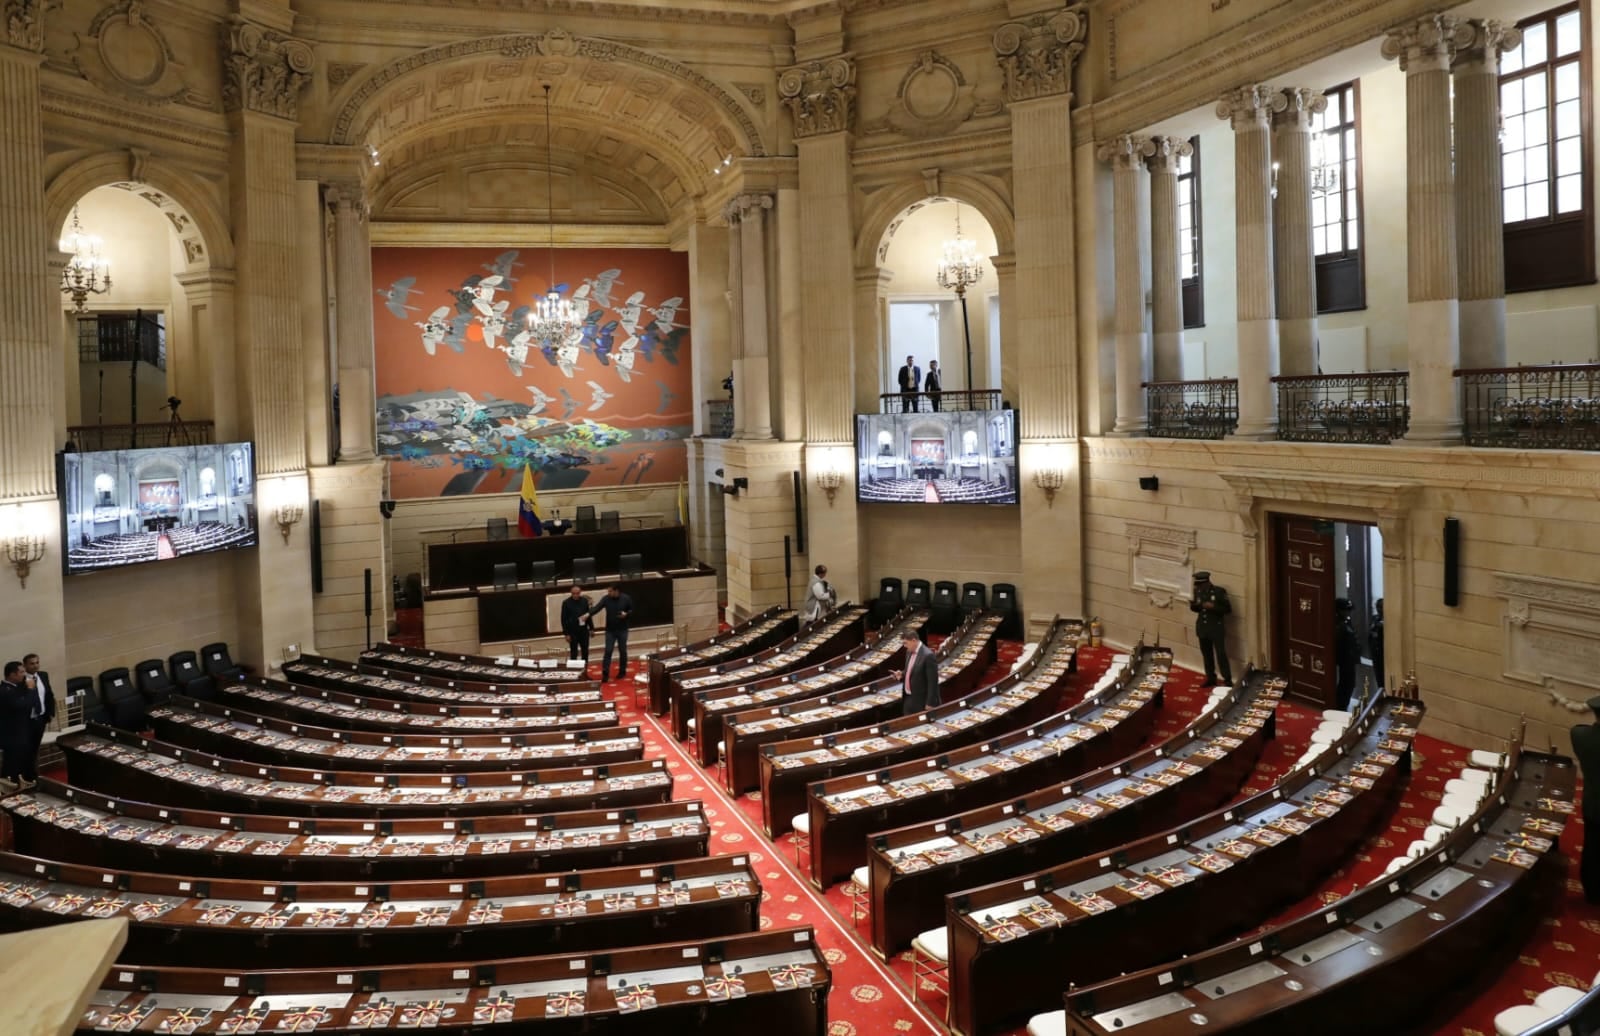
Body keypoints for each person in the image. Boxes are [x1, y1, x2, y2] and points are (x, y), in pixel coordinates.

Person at [1189, 571, 1232, 686]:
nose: (1199, 588)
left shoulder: (1219, 592)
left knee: (1221, 654)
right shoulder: (1197, 591)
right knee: (1207, 655)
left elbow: (1227, 609)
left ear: (1206, 583)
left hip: (1216, 628)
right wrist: (1194, 605)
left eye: (1200, 585)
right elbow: (1196, 608)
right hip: (1203, 628)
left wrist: (1213, 607)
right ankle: (1210, 677)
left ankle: (1227, 679)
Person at [19, 653, 54, 785]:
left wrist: (49, 713)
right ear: (25, 665)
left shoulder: (43, 675)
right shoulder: (21, 680)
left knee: (34, 748)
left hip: (41, 718)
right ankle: (28, 776)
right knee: (27, 749)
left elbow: (49, 694)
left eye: (37, 662)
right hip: (27, 721)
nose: (35, 666)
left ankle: (32, 774)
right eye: (32, 663)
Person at [589, 584, 634, 681]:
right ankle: (605, 673)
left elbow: (632, 611)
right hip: (610, 630)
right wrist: (588, 614)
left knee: (623, 651)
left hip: (622, 629)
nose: (608, 593)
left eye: (610, 591)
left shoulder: (626, 598)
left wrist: (626, 614)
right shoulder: (606, 599)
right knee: (608, 651)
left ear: (616, 591)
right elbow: (597, 608)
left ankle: (622, 671)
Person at [0, 662, 32, 791]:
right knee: (12, 763)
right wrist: (31, 690)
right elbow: (23, 706)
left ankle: (19, 785)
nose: (24, 675)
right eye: (21, 672)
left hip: (19, 732)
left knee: (19, 762)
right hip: (12, 735)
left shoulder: (14, 687)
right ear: (12, 674)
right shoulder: (6, 691)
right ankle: (9, 789)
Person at [900, 630, 940, 715]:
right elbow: (910, 671)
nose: (904, 646)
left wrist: (930, 703)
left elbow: (933, 682)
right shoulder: (908, 652)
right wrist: (901, 675)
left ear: (914, 640)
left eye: (905, 643)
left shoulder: (928, 656)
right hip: (908, 698)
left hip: (922, 701)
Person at [1333, 597, 1359, 710]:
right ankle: (1341, 706)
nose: (1348, 612)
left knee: (1349, 683)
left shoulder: (1346, 621)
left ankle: (1343, 704)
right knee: (1346, 684)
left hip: (1349, 658)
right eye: (1346, 610)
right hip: (1344, 658)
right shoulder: (1338, 624)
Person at [560, 585, 593, 664]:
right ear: (571, 593)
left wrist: (591, 628)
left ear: (580, 593)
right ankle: (574, 671)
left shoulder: (584, 601)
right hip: (572, 632)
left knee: (585, 652)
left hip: (584, 631)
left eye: (577, 593)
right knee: (574, 653)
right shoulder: (566, 603)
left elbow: (588, 616)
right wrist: (566, 634)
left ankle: (584, 671)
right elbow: (563, 619)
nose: (575, 595)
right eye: (574, 593)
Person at [1369, 598, 1385, 692]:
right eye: (1377, 607)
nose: (1379, 609)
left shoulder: (1389, 621)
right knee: (1378, 676)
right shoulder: (1375, 619)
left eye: (1381, 607)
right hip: (1376, 653)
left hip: (1384, 653)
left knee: (1384, 676)